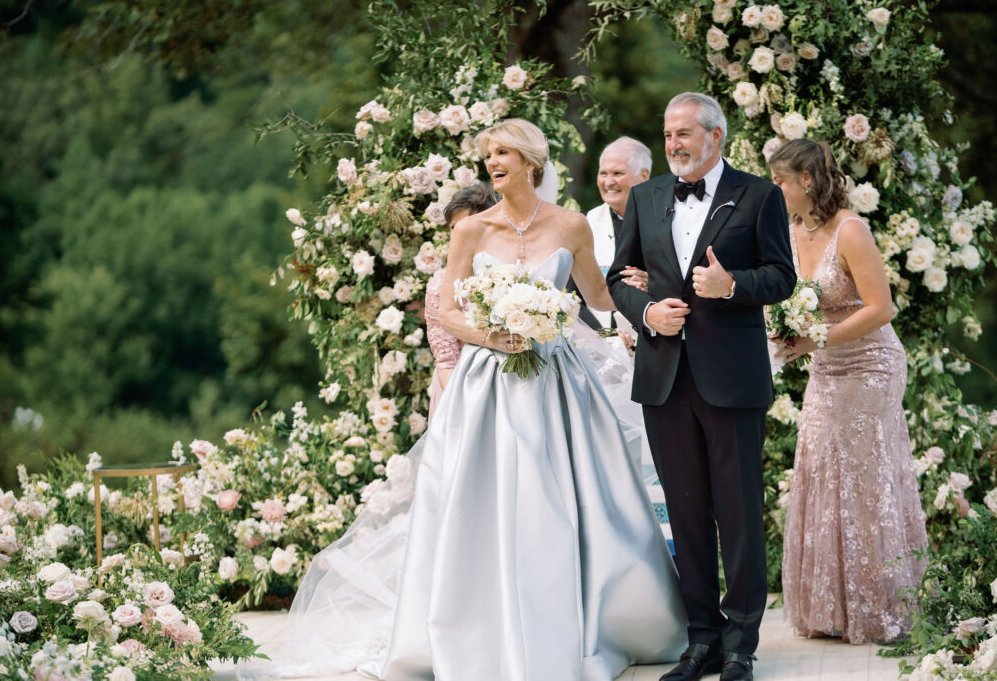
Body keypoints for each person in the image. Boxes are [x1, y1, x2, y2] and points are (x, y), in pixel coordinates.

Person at [255, 118, 688, 681]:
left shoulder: (571, 225)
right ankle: (476, 625)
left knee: (566, 499)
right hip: (488, 384)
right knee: (479, 500)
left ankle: (592, 619)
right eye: (488, 154)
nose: (493, 162)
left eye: (503, 152)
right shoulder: (471, 231)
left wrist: (646, 292)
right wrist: (494, 335)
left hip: (556, 379)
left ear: (531, 161)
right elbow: (448, 312)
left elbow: (600, 297)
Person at [608, 92, 796, 681]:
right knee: (685, 516)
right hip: (664, 376)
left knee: (738, 514)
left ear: (716, 136)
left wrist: (731, 285)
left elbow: (782, 276)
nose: (673, 144)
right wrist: (646, 312)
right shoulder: (645, 196)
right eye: (667, 134)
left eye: (685, 133)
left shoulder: (760, 195)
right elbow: (619, 276)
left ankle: (741, 646)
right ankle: (702, 642)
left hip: (731, 378)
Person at [767, 138, 928, 643]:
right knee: (818, 468)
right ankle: (830, 608)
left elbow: (881, 308)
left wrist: (813, 339)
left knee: (863, 476)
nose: (776, 191)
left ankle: (879, 607)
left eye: (781, 182)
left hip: (871, 363)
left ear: (807, 181)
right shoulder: (790, 232)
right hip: (825, 364)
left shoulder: (851, 231)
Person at [423, 183, 496, 421]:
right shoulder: (439, 285)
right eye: (453, 227)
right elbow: (445, 359)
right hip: (456, 391)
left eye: (465, 227)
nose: (458, 236)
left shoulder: (509, 275)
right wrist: (470, 408)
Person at [571, 136, 652, 329]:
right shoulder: (583, 224)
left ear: (644, 175)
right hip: (598, 343)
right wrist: (603, 338)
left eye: (617, 173)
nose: (609, 182)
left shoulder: (667, 220)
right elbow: (571, 297)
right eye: (603, 173)